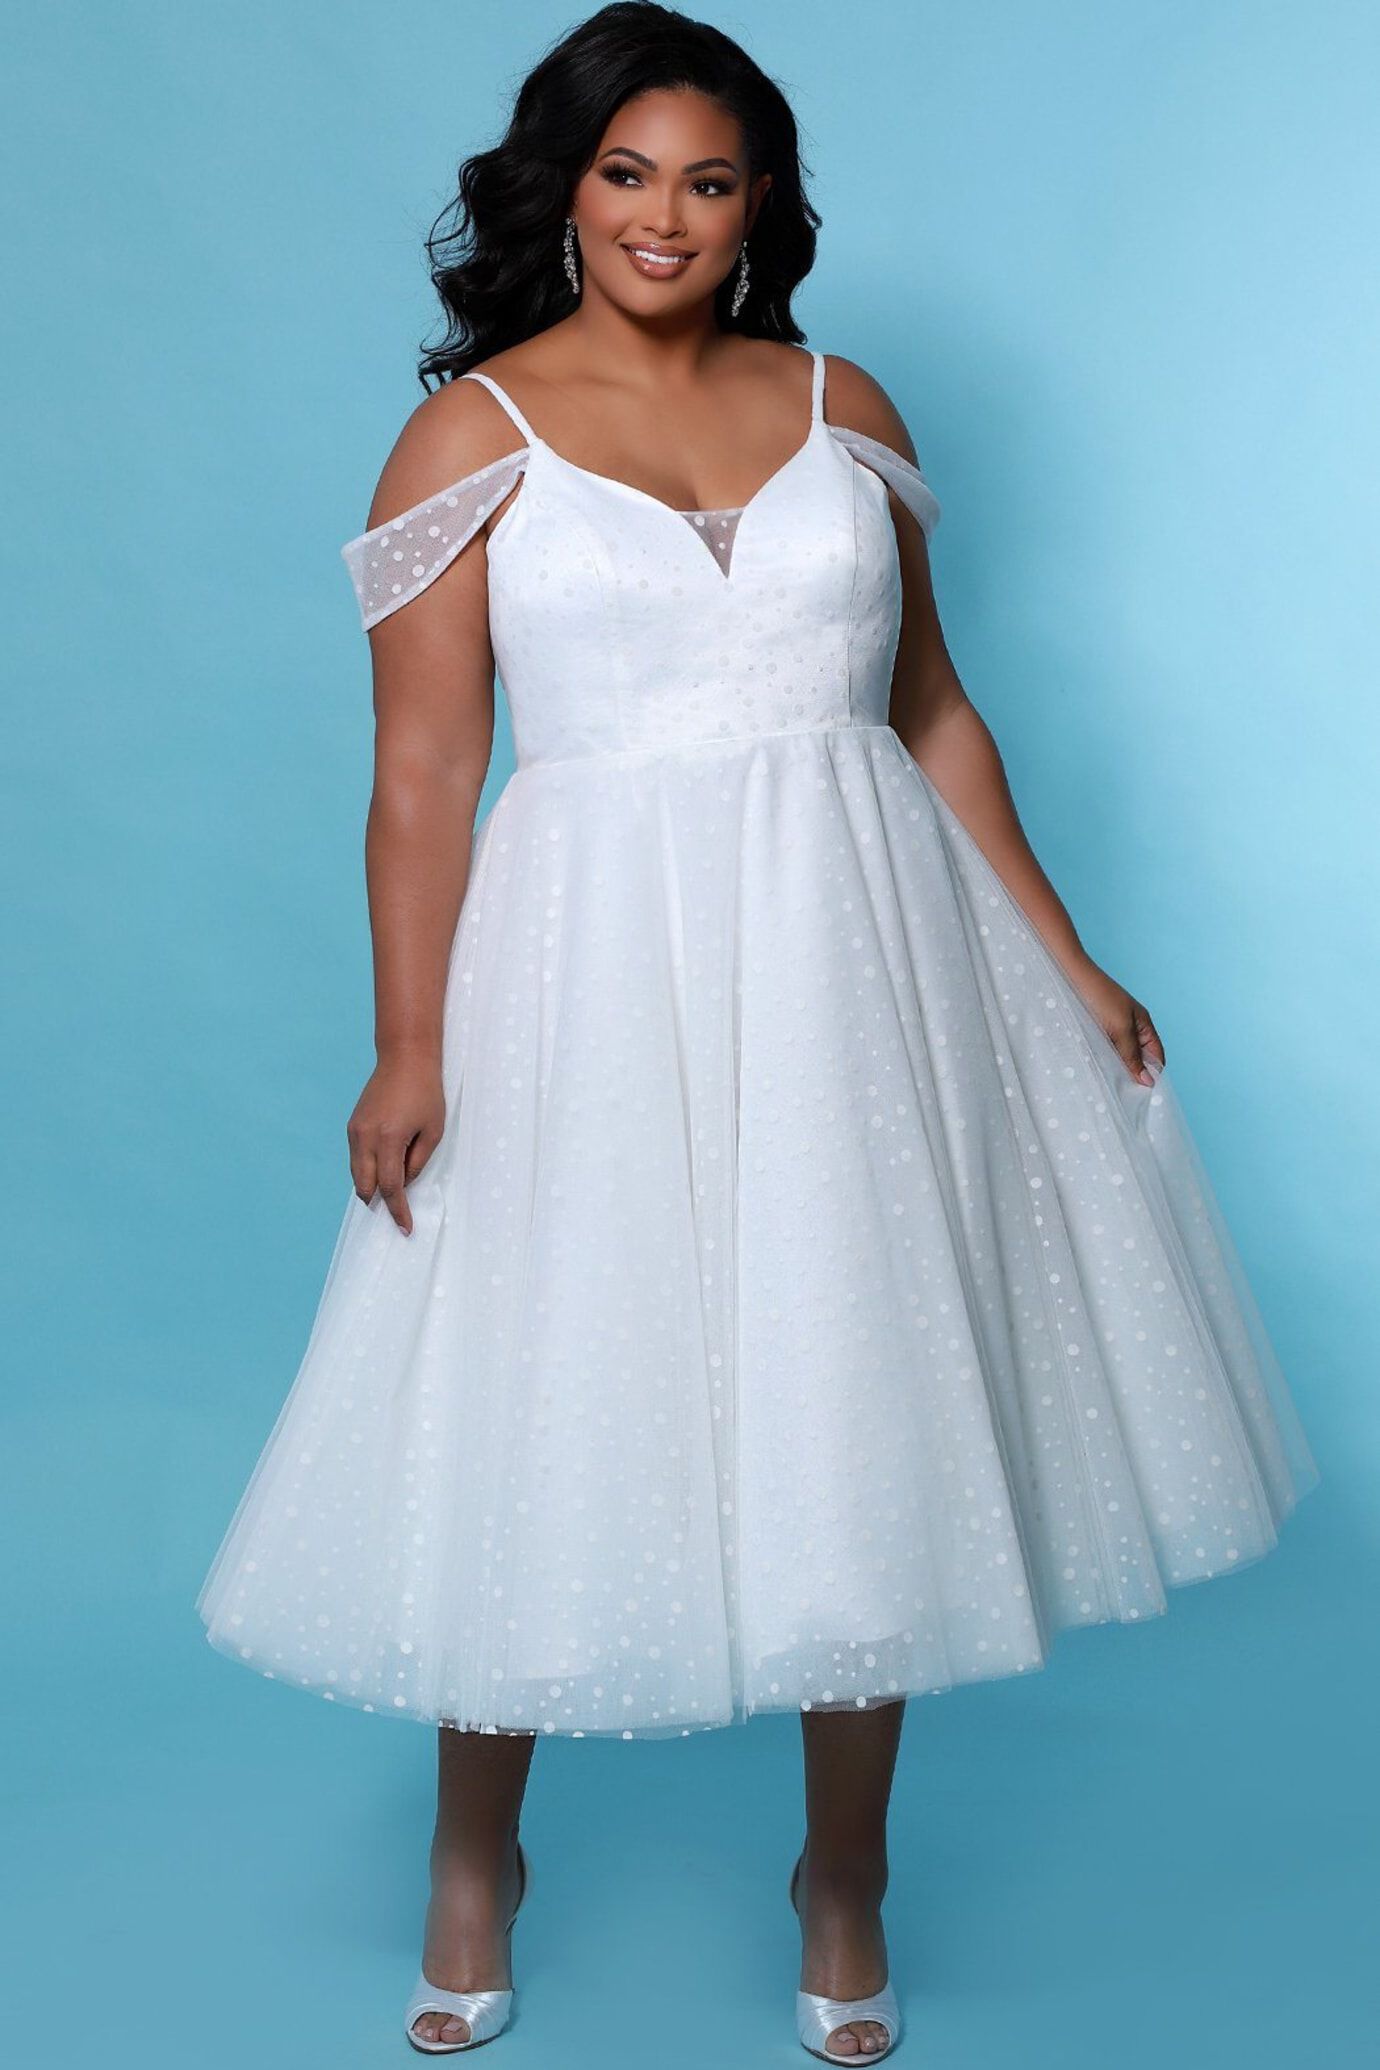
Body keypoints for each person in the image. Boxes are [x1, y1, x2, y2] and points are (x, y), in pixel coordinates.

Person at [195, 4, 1320, 2059]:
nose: (666, 216)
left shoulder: (840, 402)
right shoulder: (467, 439)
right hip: (586, 965)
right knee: (542, 1382)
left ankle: (844, 1872)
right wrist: (407, 1046)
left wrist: (1067, 956)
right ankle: (476, 1855)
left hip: (854, 958)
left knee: (857, 1387)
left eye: (709, 181)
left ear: (761, 205)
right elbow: (424, 774)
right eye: (627, 173)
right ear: (562, 191)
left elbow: (932, 708)